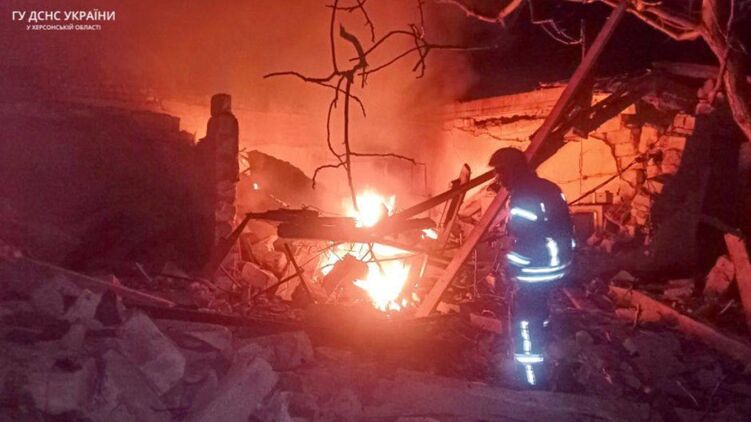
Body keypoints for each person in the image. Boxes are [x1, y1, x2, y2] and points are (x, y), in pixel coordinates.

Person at [489, 147, 574, 387]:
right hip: (559, 265)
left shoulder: (523, 197)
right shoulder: (549, 188)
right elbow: (563, 227)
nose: (498, 179)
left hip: (537, 270)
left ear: (512, 170)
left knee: (525, 325)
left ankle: (531, 381)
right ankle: (551, 359)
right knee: (542, 316)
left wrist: (509, 268)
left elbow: (528, 241)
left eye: (500, 172)